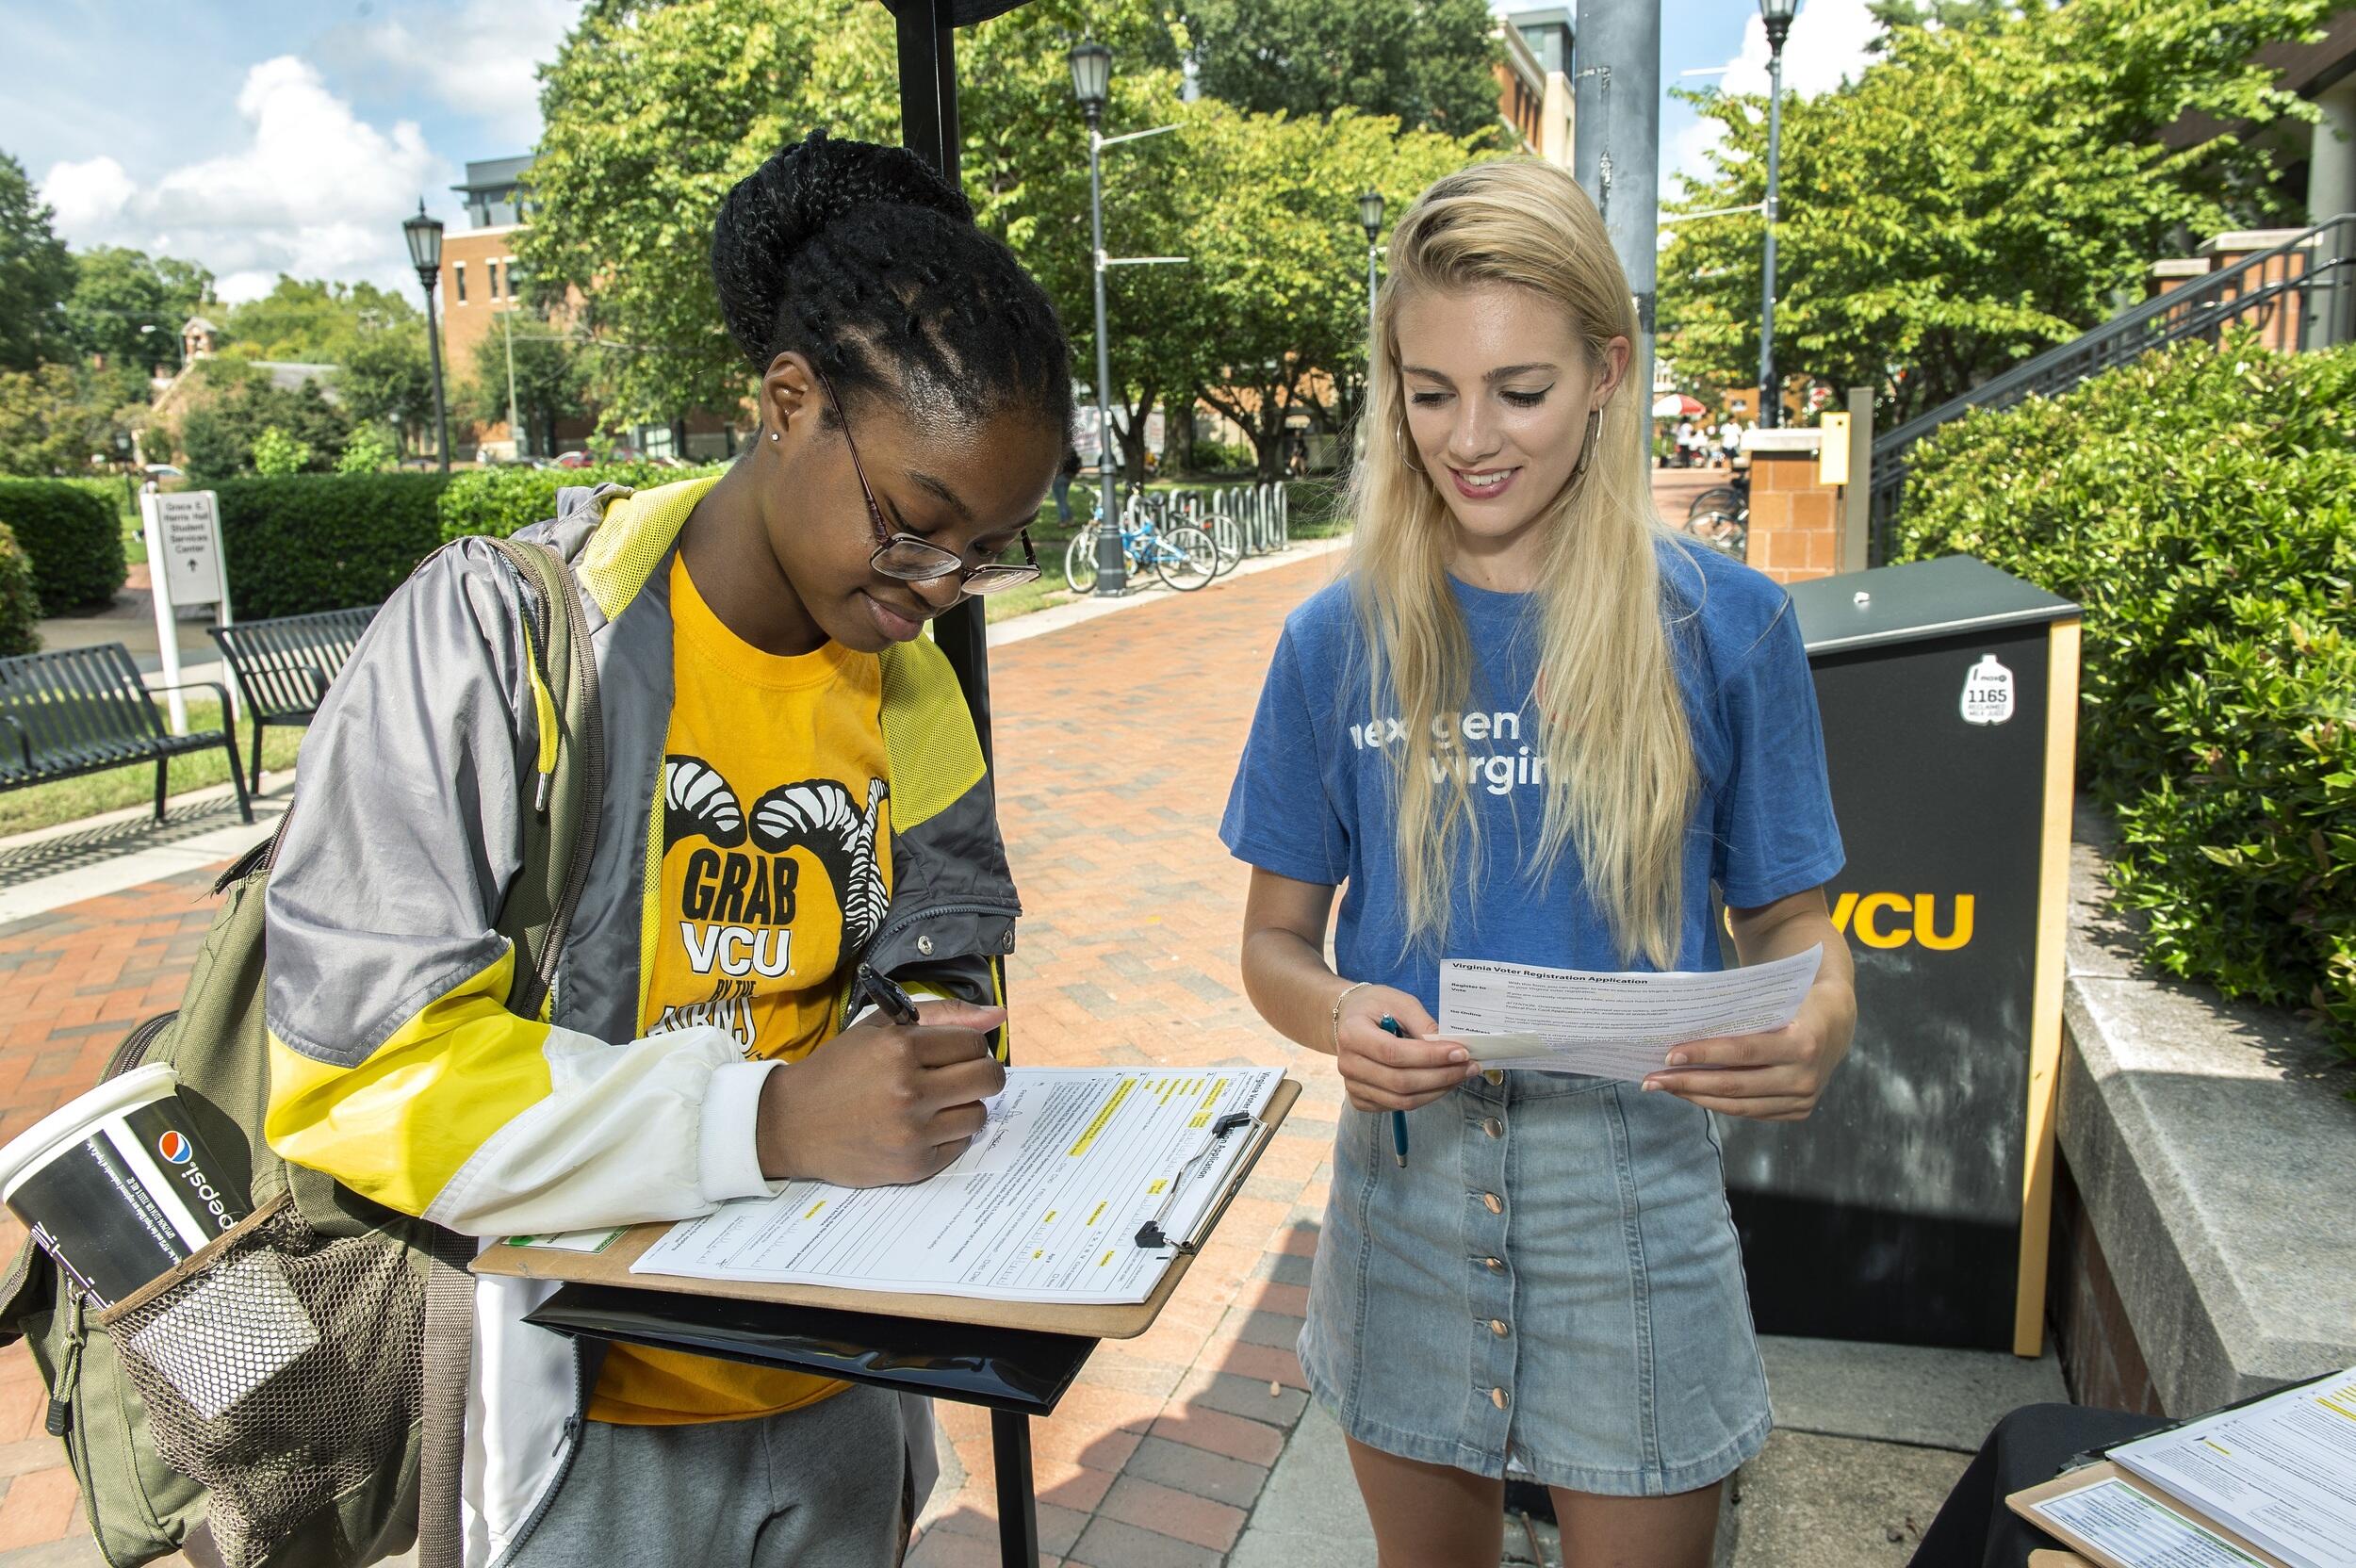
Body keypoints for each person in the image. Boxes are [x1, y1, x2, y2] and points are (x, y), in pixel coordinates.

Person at [261, 131, 1071, 1568]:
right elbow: (361, 1074)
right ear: (788, 401)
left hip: (845, 1389)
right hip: (579, 1423)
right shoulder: (503, 639)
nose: (938, 592)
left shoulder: (914, 686)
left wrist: (937, 1040)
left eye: (986, 555)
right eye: (912, 528)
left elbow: (945, 947)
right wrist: (759, 1121)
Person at [1219, 158, 1857, 1568]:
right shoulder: (1333, 641)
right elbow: (1273, 943)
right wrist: (1331, 1011)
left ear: (1608, 372)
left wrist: (1819, 1014)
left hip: (1635, 1199)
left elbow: (1798, 923)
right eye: (1428, 391)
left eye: (1521, 390)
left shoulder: (1728, 625)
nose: (1470, 438)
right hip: (1402, 1194)